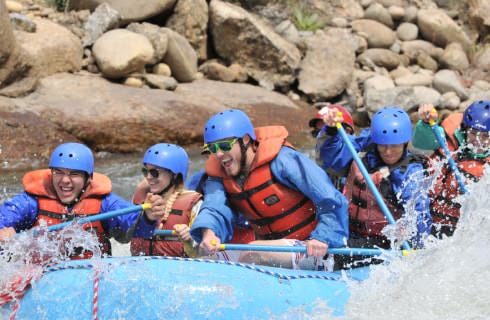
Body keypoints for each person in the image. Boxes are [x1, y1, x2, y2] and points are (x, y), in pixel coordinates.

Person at [190, 109, 349, 271]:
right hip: (274, 251)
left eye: (224, 145)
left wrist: (323, 237)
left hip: (314, 247)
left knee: (254, 251)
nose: (217, 154)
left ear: (245, 140)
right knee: (208, 258)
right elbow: (214, 208)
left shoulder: (284, 160)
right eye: (211, 148)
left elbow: (330, 198)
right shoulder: (219, 176)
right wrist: (208, 233)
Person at [0, 142, 164, 259]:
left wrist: (148, 217)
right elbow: (6, 214)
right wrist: (3, 230)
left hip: (89, 277)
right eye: (59, 172)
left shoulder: (105, 203)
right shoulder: (32, 201)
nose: (65, 180)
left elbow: (135, 228)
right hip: (43, 277)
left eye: (74, 174)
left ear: (88, 179)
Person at [320, 106, 431, 267]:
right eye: (383, 145)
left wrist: (418, 249)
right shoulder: (366, 153)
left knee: (332, 253)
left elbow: (420, 214)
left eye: (395, 146)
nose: (388, 151)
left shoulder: (410, 173)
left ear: (405, 143)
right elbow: (331, 159)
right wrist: (330, 131)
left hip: (383, 244)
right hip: (347, 230)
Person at [413, 100, 490, 237]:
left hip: (456, 229)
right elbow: (420, 142)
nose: (478, 140)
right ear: (465, 128)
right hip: (424, 214)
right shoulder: (447, 136)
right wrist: (426, 123)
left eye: (485, 136)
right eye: (473, 133)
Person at [130, 143, 203, 257]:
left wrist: (190, 240)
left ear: (174, 175)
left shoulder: (195, 205)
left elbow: (203, 253)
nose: (148, 177)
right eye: (146, 171)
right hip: (140, 269)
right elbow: (125, 234)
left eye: (155, 172)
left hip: (178, 270)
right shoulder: (141, 200)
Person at [312, 103, 355, 190]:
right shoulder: (315, 160)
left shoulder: (359, 157)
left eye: (325, 132)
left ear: (347, 131)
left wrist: (331, 131)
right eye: (318, 132)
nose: (320, 137)